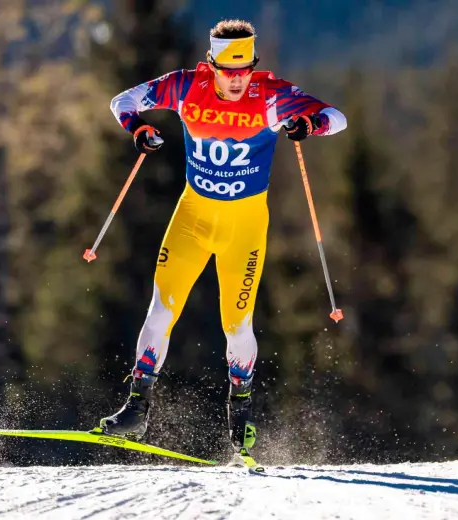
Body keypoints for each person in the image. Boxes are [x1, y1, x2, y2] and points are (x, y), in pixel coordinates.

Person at [96, 19, 347, 453]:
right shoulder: (186, 87)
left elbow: (337, 118)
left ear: (253, 66)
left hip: (244, 226)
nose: (235, 80)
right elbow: (123, 100)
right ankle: (136, 409)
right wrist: (137, 128)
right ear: (211, 64)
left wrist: (310, 126)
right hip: (193, 216)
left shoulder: (270, 96)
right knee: (161, 310)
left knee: (237, 326)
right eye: (227, 70)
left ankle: (241, 416)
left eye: (244, 70)